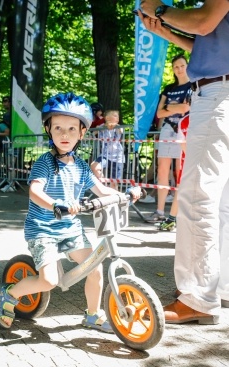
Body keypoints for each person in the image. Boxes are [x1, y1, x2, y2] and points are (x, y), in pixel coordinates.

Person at [0, 92, 141, 330]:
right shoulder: (44, 162)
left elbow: (102, 190)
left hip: (70, 228)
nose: (65, 134)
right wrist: (54, 204)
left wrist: (126, 194)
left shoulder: (82, 166)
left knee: (95, 267)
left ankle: (93, 314)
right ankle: (9, 293)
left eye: (72, 129)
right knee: (49, 281)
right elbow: (35, 191)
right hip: (43, 229)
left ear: (82, 132)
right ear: (49, 130)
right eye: (59, 128)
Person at [138, 0, 229, 324]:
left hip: (218, 94)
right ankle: (220, 288)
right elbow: (209, 42)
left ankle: (198, 297)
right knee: (221, 204)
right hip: (222, 91)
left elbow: (204, 23)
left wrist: (160, 9)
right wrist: (168, 32)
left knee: (196, 197)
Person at [146, 54, 192, 224]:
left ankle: (177, 213)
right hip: (167, 130)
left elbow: (187, 107)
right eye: (176, 67)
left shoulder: (192, 86)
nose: (179, 69)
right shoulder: (169, 88)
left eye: (182, 65)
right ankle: (160, 211)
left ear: (187, 66)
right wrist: (176, 108)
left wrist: (170, 108)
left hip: (185, 130)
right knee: (162, 171)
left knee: (181, 172)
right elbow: (159, 113)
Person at [90, 110, 124, 191]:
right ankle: (103, 186)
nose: (117, 117)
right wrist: (97, 129)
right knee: (94, 166)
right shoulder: (101, 127)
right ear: (107, 117)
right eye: (115, 115)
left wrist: (113, 125)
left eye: (118, 116)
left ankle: (115, 199)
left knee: (114, 182)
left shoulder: (118, 127)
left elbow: (121, 131)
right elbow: (92, 135)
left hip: (118, 157)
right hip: (105, 155)